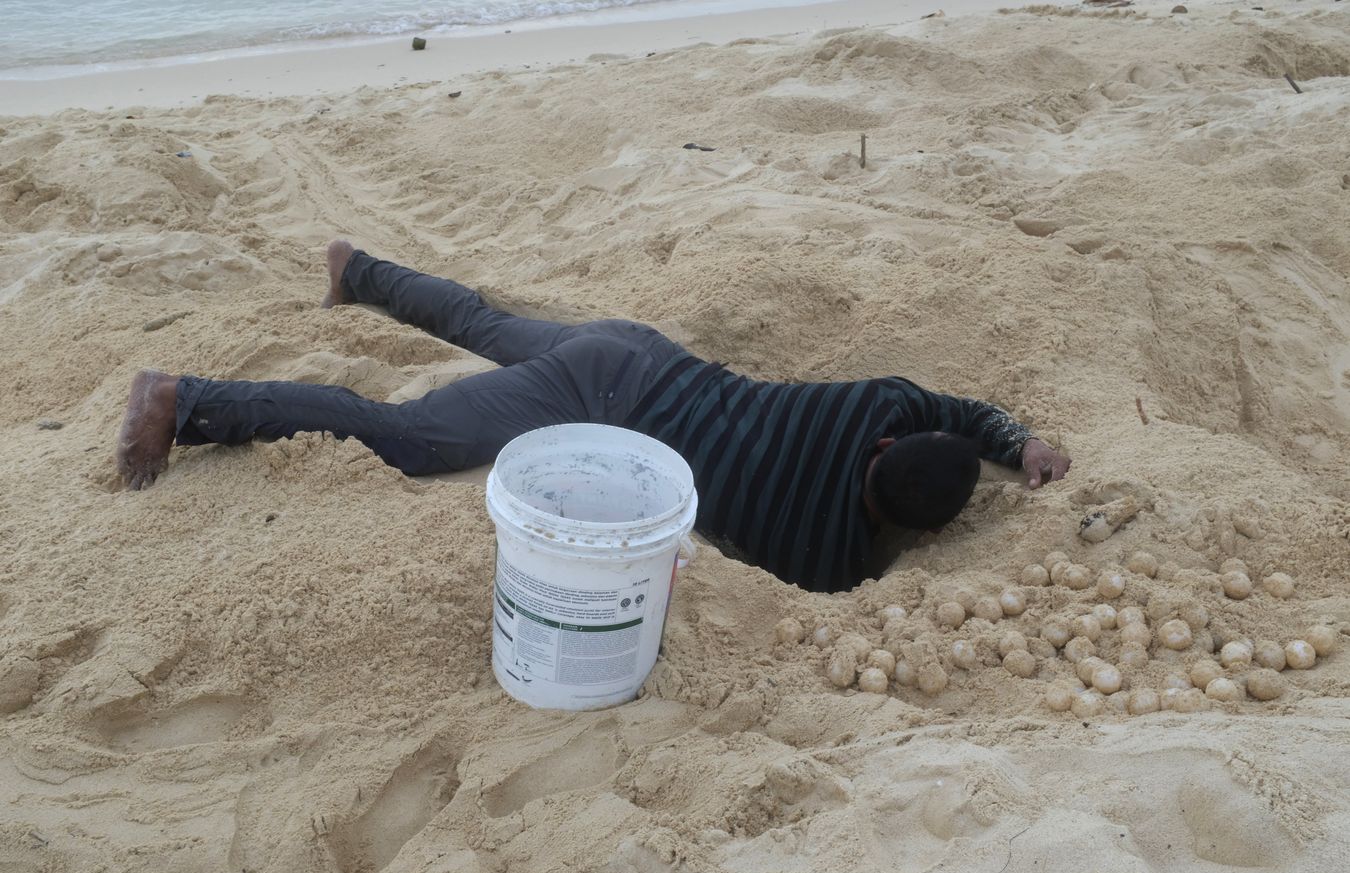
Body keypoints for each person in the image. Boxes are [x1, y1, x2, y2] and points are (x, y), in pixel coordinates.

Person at [118, 241, 1071, 593]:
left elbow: (959, 408)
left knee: (486, 324)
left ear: (893, 444)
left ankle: (356, 273)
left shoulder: (883, 403)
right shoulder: (829, 562)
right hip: (601, 402)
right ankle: (185, 401)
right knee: (405, 437)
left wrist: (1015, 439)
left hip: (639, 354)